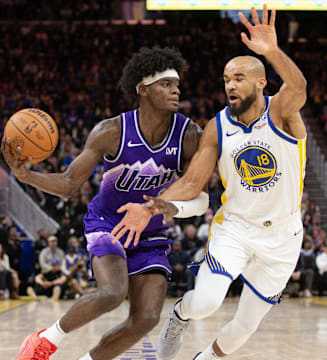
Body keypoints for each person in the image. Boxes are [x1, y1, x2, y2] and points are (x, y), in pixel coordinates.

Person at [111, 5, 307, 360]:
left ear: (261, 82)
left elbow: (300, 86)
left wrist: (272, 52)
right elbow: (192, 182)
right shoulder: (218, 126)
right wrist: (151, 206)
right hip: (236, 228)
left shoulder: (282, 111)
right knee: (204, 303)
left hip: (283, 237)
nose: (231, 84)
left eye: (239, 78)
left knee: (245, 327)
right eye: (227, 79)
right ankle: (179, 316)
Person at [2, 47, 208, 360]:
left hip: (151, 232)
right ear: (143, 89)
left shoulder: (190, 135)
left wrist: (173, 208)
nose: (176, 89)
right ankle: (45, 340)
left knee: (147, 318)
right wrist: (26, 175)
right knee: (112, 292)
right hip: (107, 223)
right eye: (166, 84)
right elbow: (71, 183)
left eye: (177, 84)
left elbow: (200, 192)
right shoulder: (111, 131)